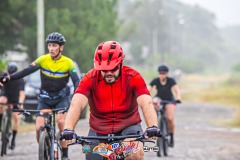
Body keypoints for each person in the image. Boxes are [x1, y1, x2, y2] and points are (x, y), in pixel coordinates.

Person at [60, 41, 159, 160]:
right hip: (99, 131)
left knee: (134, 153)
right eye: (103, 69)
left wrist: (152, 126)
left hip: (128, 129)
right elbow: (76, 103)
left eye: (113, 68)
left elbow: (146, 102)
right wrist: (68, 129)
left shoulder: (133, 77)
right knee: (92, 157)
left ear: (121, 63)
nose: (108, 73)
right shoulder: (89, 78)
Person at [0, 32, 80, 160]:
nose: (51, 48)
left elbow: (76, 80)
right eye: (49, 45)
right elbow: (26, 71)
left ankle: (64, 154)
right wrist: (9, 78)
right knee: (38, 128)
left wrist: (77, 95)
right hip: (45, 98)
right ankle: (45, 146)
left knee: (61, 122)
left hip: (61, 98)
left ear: (61, 48)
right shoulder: (43, 60)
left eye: (54, 45)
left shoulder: (68, 63)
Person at [147, 64, 181, 147]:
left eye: (164, 73)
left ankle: (171, 136)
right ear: (158, 73)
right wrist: (147, 97)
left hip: (169, 99)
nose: (162, 75)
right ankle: (156, 119)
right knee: (154, 102)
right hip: (159, 98)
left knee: (170, 118)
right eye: (160, 73)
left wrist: (178, 98)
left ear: (167, 73)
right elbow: (148, 89)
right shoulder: (155, 80)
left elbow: (176, 90)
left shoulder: (171, 80)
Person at [0, 62, 25, 150]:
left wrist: (20, 103)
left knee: (16, 117)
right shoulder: (4, 76)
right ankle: (1, 122)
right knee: (1, 101)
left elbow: (22, 93)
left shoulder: (20, 79)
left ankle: (13, 139)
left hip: (15, 98)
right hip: (6, 95)